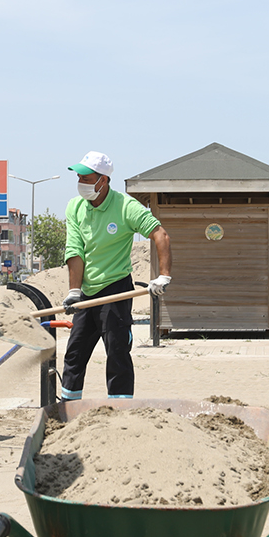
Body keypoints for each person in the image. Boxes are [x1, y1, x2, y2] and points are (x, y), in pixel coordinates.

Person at [59, 151, 172, 399]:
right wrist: (74, 292)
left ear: (103, 181)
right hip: (87, 293)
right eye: (79, 177)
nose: (81, 183)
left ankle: (120, 412)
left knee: (117, 352)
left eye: (86, 178)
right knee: (74, 353)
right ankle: (67, 406)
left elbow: (160, 235)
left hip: (115, 290)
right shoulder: (75, 207)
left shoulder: (125, 206)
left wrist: (163, 276)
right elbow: (74, 251)